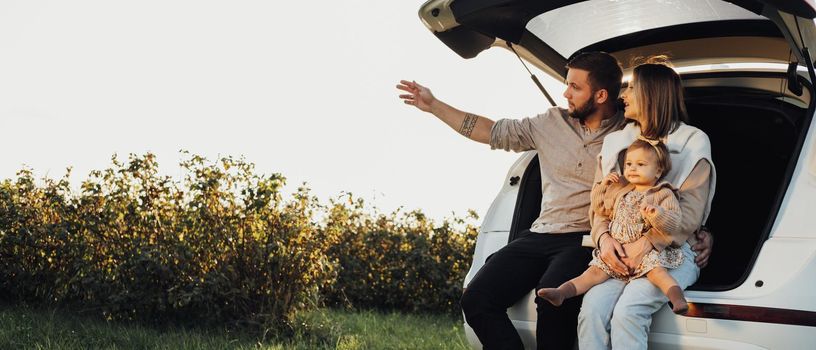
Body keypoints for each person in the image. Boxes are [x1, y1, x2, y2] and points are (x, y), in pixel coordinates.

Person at [397, 52, 712, 349]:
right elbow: (493, 131)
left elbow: (673, 192)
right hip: (542, 233)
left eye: (575, 87)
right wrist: (434, 105)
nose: (565, 94)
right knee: (476, 299)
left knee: (551, 303)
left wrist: (698, 232)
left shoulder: (630, 135)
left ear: (601, 95)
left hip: (582, 240)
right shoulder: (552, 123)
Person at [577, 58, 717, 350]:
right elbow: (599, 204)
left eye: (631, 88)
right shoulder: (616, 142)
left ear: (652, 94)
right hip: (617, 252)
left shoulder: (693, 141)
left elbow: (690, 213)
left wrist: (647, 244)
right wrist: (603, 240)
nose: (623, 96)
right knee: (591, 311)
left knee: (628, 312)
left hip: (671, 255)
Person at [537, 138, 689, 315]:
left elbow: (673, 223)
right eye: (629, 163)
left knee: (658, 274)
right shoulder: (621, 189)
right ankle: (561, 293)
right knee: (591, 274)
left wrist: (658, 214)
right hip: (617, 251)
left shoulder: (663, 193)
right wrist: (603, 187)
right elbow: (600, 208)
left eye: (640, 164)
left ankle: (677, 300)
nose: (632, 168)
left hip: (646, 252)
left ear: (658, 171)